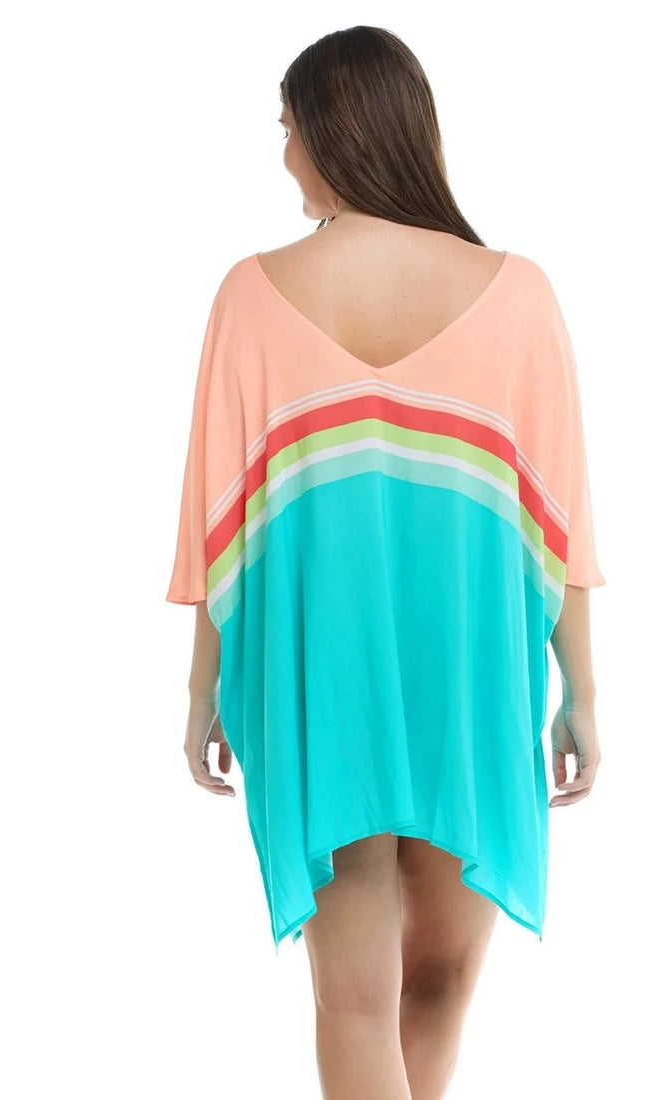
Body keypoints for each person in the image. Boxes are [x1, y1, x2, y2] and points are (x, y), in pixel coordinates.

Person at [165, 25, 606, 1100]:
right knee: (440, 980)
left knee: (354, 999)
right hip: (472, 672)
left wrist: (202, 686)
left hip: (320, 676)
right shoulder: (518, 291)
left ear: (332, 129)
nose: (283, 156)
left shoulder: (251, 293)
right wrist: (582, 692)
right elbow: (560, 522)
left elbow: (218, 523)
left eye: (286, 129)